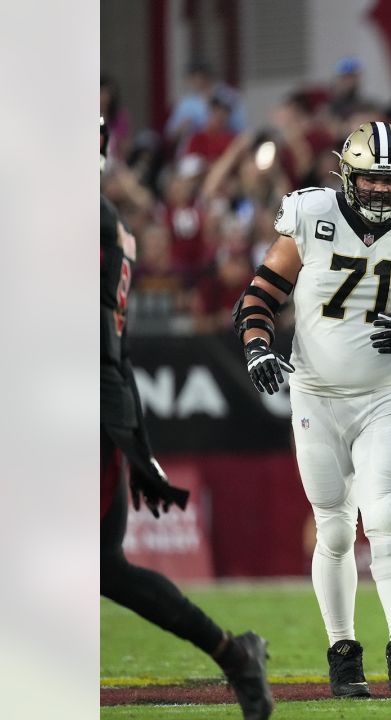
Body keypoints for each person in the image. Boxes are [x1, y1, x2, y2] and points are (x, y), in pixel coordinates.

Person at [234, 121, 391, 698]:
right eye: (373, 179)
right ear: (347, 175)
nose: (385, 192)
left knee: (390, 514)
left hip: (385, 395)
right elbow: (259, 296)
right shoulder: (311, 217)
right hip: (316, 393)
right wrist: (258, 346)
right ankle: (342, 650)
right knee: (334, 527)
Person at [99, 118, 273, 720]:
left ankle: (235, 656)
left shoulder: (90, 226)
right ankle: (234, 655)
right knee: (104, 569)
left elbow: (99, 347)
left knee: (101, 567)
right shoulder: (106, 225)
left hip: (81, 416)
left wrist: (129, 441)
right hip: (90, 409)